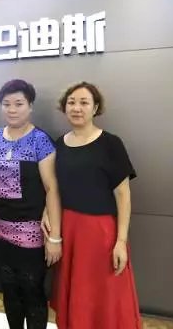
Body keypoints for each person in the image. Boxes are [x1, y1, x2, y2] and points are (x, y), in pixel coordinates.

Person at [46, 81, 141, 329]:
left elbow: (123, 195)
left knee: (105, 297)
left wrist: (121, 241)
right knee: (77, 296)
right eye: (71, 102)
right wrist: (47, 213)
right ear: (64, 107)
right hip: (69, 231)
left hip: (101, 234)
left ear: (95, 108)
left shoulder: (111, 144)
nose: (77, 108)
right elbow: (54, 187)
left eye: (84, 102)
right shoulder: (58, 144)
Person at [0, 79, 62, 329]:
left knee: (32, 291)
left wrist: (55, 237)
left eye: (19, 103)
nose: (12, 109)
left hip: (32, 234)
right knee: (9, 291)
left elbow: (52, 189)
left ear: (30, 106)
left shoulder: (41, 141)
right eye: (6, 104)